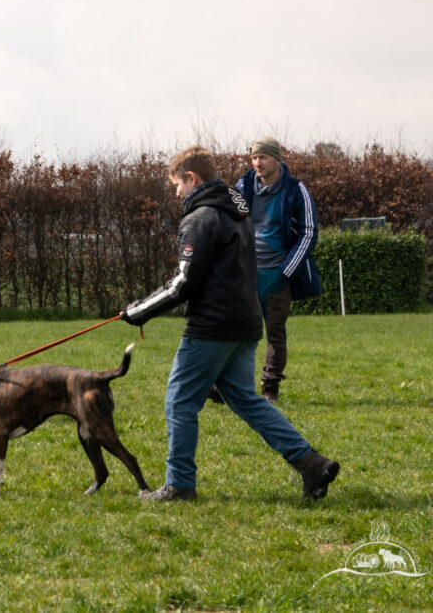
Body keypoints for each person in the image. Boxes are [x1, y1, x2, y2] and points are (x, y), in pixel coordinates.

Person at [122, 146, 338, 502]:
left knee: (180, 402)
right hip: (247, 322)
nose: (176, 193)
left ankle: (179, 486)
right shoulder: (238, 211)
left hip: (212, 326)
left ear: (192, 178)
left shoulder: (201, 218)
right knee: (245, 400)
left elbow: (183, 283)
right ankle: (311, 463)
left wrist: (138, 311)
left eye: (177, 185)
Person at [234, 136, 321, 404]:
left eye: (263, 157)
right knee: (236, 330)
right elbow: (229, 223)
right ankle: (227, 385)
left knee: (274, 333)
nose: (257, 163)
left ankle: (270, 387)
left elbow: (309, 232)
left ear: (277, 159)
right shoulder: (243, 186)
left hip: (277, 273)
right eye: (254, 158)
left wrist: (287, 271)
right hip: (245, 273)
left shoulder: (296, 190)